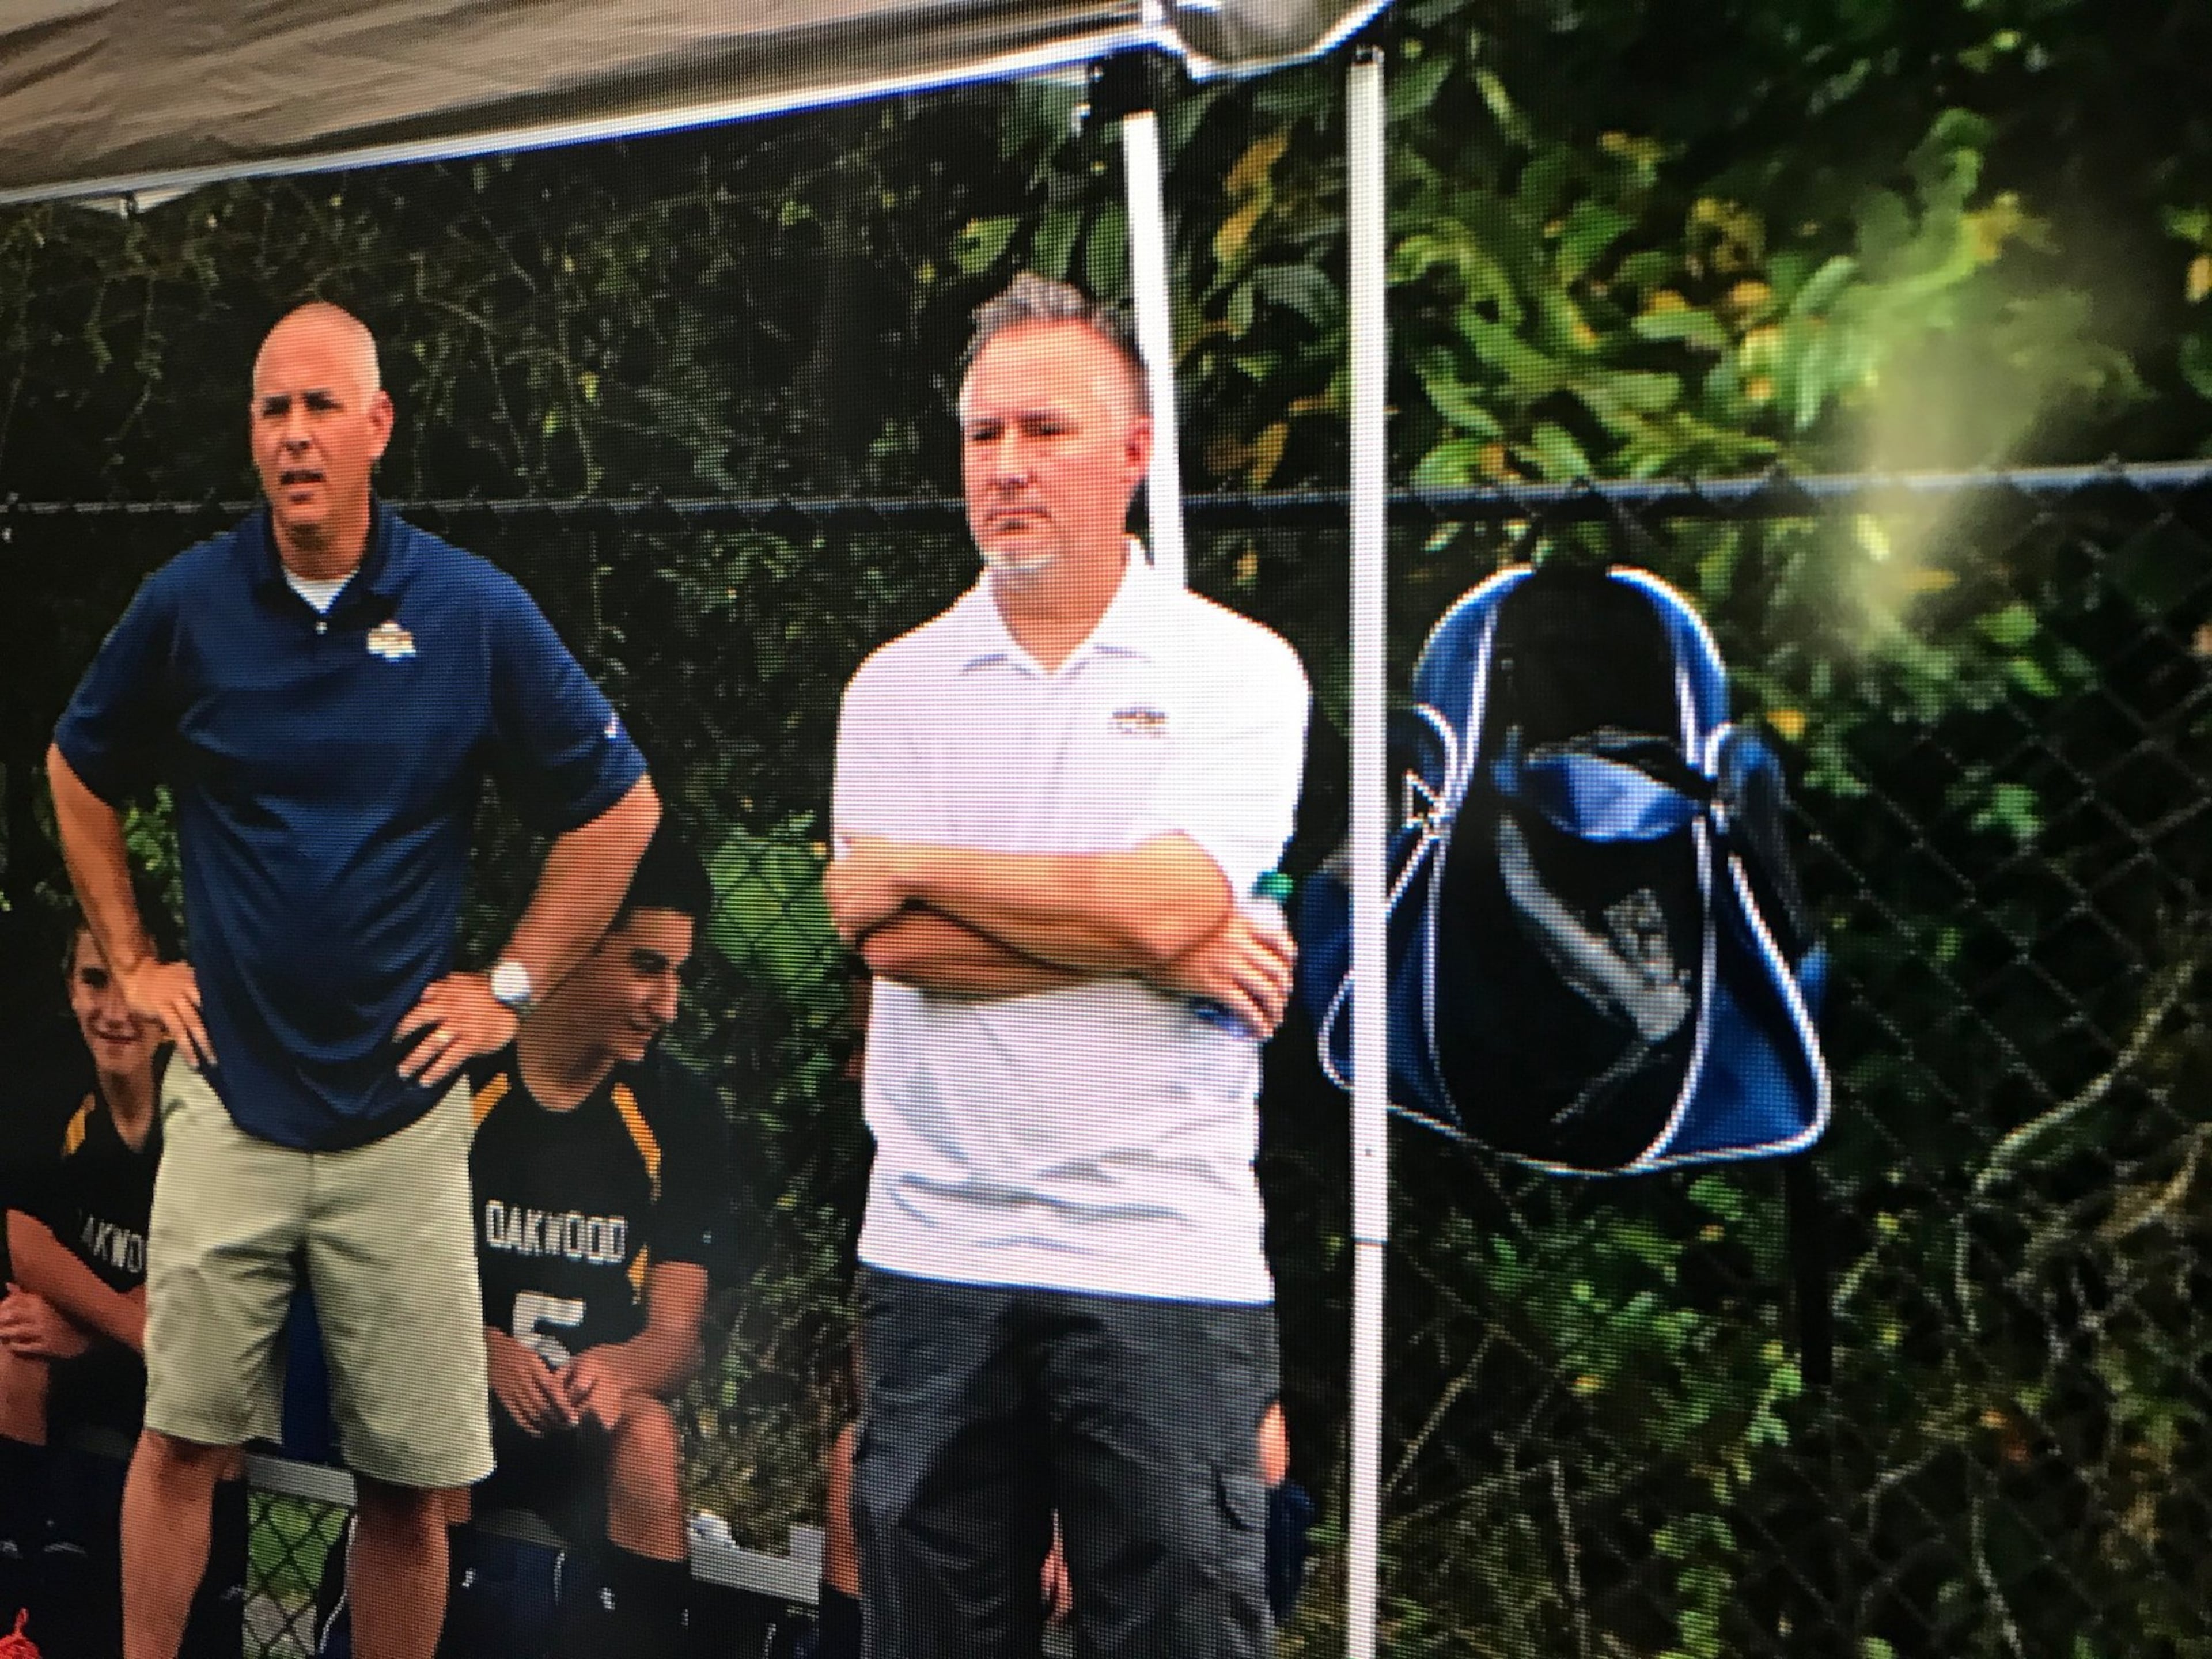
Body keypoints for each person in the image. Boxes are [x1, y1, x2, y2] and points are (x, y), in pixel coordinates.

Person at [46, 300, 661, 1659]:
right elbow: (77, 771)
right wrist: (137, 962)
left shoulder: (472, 611)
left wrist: (507, 987)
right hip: (229, 1103)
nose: (296, 435)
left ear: (379, 427)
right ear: (252, 437)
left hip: (402, 1125)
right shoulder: (191, 604)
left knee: (410, 1489)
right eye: (273, 410)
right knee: (180, 1443)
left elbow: (618, 808)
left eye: (323, 407)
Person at [824, 272, 1309, 1659]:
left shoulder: (1238, 672)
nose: (1008, 467)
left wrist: (927, 866)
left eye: (1045, 430)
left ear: (1137, 454)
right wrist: (1150, 943)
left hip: (1163, 1257)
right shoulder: (895, 686)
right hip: (935, 1256)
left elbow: (1167, 905)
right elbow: (900, 947)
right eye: (984, 436)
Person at [454, 820, 728, 1658]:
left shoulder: (681, 1114)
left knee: (648, 1435)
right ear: (574, 944)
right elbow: (380, 1287)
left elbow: (677, 1340)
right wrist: (480, 1351)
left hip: (588, 1424)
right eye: (646, 966)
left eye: (679, 973)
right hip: (460, 1392)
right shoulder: (461, 1079)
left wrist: (619, 1368)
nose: (668, 1004)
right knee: (434, 1422)